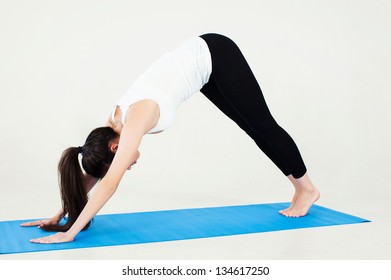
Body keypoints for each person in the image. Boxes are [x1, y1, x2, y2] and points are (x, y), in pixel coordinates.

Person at [22, 33, 320, 243]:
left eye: (121, 162)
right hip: (205, 70)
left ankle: (306, 189)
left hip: (216, 53)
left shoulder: (134, 119)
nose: (126, 166)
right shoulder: (112, 126)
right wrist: (62, 213)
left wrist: (70, 233)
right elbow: (96, 172)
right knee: (254, 129)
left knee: (263, 125)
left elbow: (109, 181)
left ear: (116, 147)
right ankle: (300, 188)